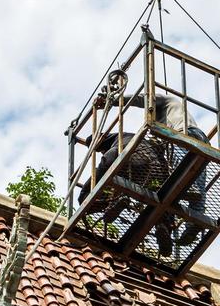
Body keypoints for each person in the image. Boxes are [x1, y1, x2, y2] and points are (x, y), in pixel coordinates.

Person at [79, 93, 208, 256]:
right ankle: (188, 221)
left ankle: (117, 201)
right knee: (182, 183)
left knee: (179, 168)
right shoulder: (156, 138)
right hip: (189, 147)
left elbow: (142, 97)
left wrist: (111, 100)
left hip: (184, 135)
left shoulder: (167, 104)